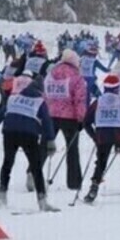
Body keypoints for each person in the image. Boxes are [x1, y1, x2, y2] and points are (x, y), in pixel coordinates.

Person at [0, 74, 58, 211]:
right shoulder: (40, 101)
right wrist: (51, 141)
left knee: (7, 163)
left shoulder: (13, 98)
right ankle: (42, 201)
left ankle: (2, 196)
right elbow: (47, 122)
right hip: (29, 134)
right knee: (36, 168)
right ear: (41, 91)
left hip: (9, 132)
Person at [82, 74, 120, 203]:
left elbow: (86, 122)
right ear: (117, 88)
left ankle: (93, 188)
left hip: (102, 135)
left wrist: (94, 136)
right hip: (118, 134)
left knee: (101, 162)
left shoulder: (98, 102)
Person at [43, 49, 88, 190]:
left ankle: (32, 173)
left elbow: (44, 94)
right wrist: (82, 118)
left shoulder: (51, 74)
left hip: (50, 115)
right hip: (70, 118)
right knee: (72, 149)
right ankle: (74, 182)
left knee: (44, 146)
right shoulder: (76, 77)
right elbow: (79, 99)